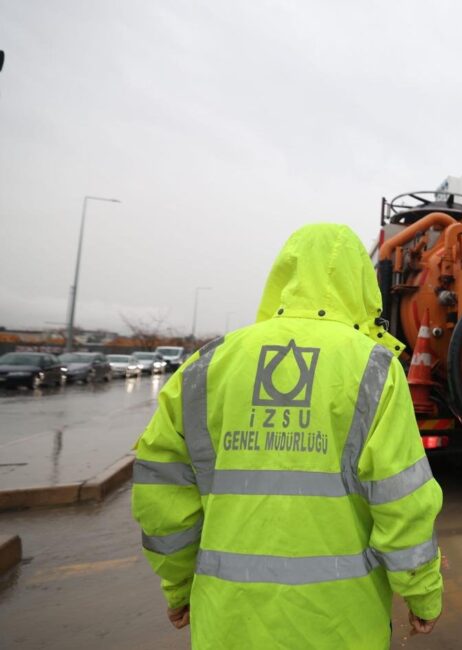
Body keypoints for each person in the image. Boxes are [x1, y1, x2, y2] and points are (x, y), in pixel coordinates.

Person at [132, 224, 443, 649]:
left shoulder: (207, 366)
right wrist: (422, 593)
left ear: (284, 275)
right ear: (362, 283)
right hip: (342, 626)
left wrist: (178, 586)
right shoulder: (373, 368)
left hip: (228, 624)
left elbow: (163, 503)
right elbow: (402, 504)